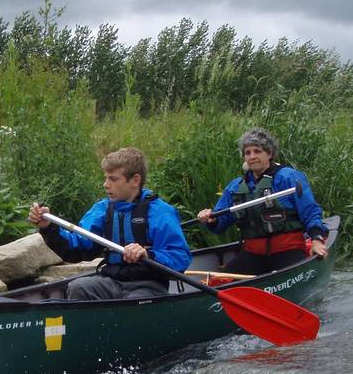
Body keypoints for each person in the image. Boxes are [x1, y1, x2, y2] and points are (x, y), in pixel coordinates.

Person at [28, 147, 191, 300]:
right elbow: (76, 249)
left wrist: (148, 255)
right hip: (111, 281)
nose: (105, 184)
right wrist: (48, 228)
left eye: (113, 179)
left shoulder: (159, 212)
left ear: (135, 180)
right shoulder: (102, 209)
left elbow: (180, 257)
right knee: (78, 287)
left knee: (134, 302)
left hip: (148, 285)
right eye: (106, 178)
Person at [196, 127, 328, 275]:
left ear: (269, 154)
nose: (252, 156)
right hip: (254, 253)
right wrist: (210, 220)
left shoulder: (288, 178)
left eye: (257, 151)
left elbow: (310, 212)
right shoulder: (235, 187)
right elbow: (220, 223)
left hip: (288, 249)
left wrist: (316, 239)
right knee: (222, 282)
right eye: (247, 153)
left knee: (289, 273)